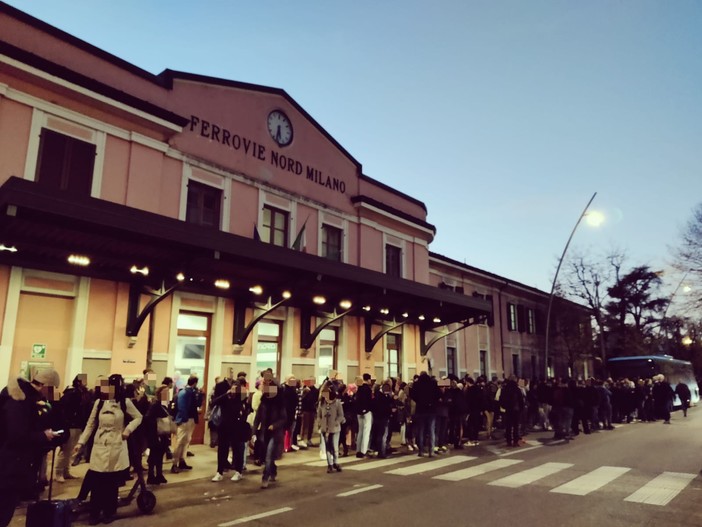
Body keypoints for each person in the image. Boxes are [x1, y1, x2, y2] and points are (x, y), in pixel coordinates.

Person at [74, 374, 142, 525]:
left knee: (111, 483)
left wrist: (128, 430)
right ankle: (94, 512)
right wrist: (81, 442)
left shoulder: (125, 402)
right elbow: (91, 424)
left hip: (116, 445)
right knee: (97, 481)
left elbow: (138, 417)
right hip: (99, 445)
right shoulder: (99, 403)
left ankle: (109, 512)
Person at [0, 368, 62, 527]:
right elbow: (16, 435)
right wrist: (43, 435)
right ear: (45, 385)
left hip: (9, 462)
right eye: (53, 389)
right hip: (9, 464)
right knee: (4, 509)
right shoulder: (19, 401)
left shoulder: (23, 398)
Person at [253, 373, 287, 489]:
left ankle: (265, 477)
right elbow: (257, 418)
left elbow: (283, 418)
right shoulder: (263, 403)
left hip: (275, 433)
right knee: (268, 456)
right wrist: (253, 433)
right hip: (264, 433)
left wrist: (275, 425)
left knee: (268, 456)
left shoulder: (279, 403)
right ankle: (273, 470)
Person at [55, 373, 90, 482]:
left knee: (71, 450)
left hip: (78, 424)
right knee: (66, 449)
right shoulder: (72, 393)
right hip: (70, 424)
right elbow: (65, 408)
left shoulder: (82, 393)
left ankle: (66, 470)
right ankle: (59, 471)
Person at [171, 375, 202, 473]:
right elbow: (183, 407)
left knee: (186, 441)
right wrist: (183, 419)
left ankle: (181, 460)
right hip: (186, 420)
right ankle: (175, 463)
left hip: (188, 419)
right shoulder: (186, 392)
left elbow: (196, 404)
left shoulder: (185, 392)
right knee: (180, 442)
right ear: (195, 383)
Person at [143, 385, 171, 485]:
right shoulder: (155, 405)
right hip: (156, 434)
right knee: (154, 455)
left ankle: (159, 474)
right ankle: (151, 476)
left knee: (160, 455)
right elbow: (148, 418)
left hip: (163, 434)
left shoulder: (165, 405)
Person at [318, 384, 345, 472]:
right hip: (325, 429)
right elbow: (319, 416)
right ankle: (330, 464)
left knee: (334, 446)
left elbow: (341, 416)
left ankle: (336, 462)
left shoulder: (337, 403)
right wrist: (321, 424)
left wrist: (335, 423)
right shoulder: (321, 403)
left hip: (334, 429)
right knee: (328, 447)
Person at [355, 373, 373, 458]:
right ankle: (363, 451)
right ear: (368, 379)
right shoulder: (368, 389)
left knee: (360, 431)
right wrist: (366, 409)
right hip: (366, 412)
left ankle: (358, 450)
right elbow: (369, 401)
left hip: (358, 412)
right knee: (366, 432)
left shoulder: (359, 388)